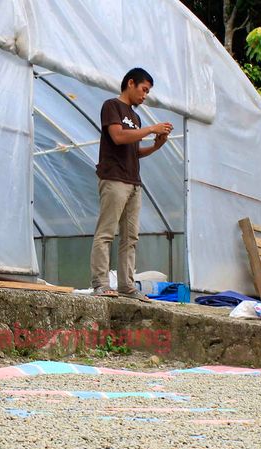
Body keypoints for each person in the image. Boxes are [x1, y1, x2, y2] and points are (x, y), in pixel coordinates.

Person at [90, 68, 173, 302]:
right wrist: (151, 129)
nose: (145, 95)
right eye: (144, 89)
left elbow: (134, 152)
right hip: (114, 179)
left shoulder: (135, 118)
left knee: (131, 237)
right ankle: (101, 283)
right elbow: (118, 136)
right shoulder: (111, 106)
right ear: (130, 83)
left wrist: (157, 145)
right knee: (106, 232)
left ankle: (127, 286)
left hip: (133, 181)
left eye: (147, 91)